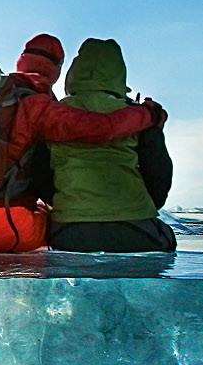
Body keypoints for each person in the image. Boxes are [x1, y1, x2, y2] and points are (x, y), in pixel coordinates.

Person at [0, 34, 165, 252]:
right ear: (56, 69)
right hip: (10, 228)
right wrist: (148, 114)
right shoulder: (40, 108)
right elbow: (100, 128)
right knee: (49, 222)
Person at [46, 38, 176, 252]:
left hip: (71, 230)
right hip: (136, 228)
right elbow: (159, 173)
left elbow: (40, 173)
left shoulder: (54, 116)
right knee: (167, 238)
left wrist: (69, 205)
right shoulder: (139, 117)